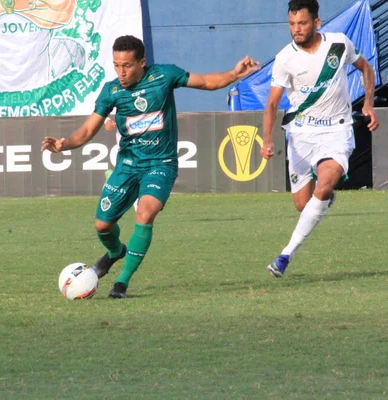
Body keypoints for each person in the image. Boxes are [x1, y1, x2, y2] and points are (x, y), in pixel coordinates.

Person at [42, 35, 260, 298]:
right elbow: (89, 129)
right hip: (128, 165)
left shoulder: (164, 76)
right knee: (102, 225)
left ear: (142, 63)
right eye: (116, 65)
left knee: (145, 213)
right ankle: (115, 253)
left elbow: (206, 82)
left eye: (127, 66)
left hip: (161, 163)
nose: (121, 72)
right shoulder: (111, 91)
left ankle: (122, 283)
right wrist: (63, 144)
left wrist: (235, 73)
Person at [260, 0, 379, 277]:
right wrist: (267, 139)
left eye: (302, 23)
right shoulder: (285, 59)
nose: (296, 30)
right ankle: (324, 198)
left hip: (337, 130)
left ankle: (284, 256)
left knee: (323, 187)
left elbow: (366, 69)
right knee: (304, 205)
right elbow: (271, 104)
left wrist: (368, 104)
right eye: (291, 24)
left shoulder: (338, 44)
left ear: (316, 22)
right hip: (300, 135)